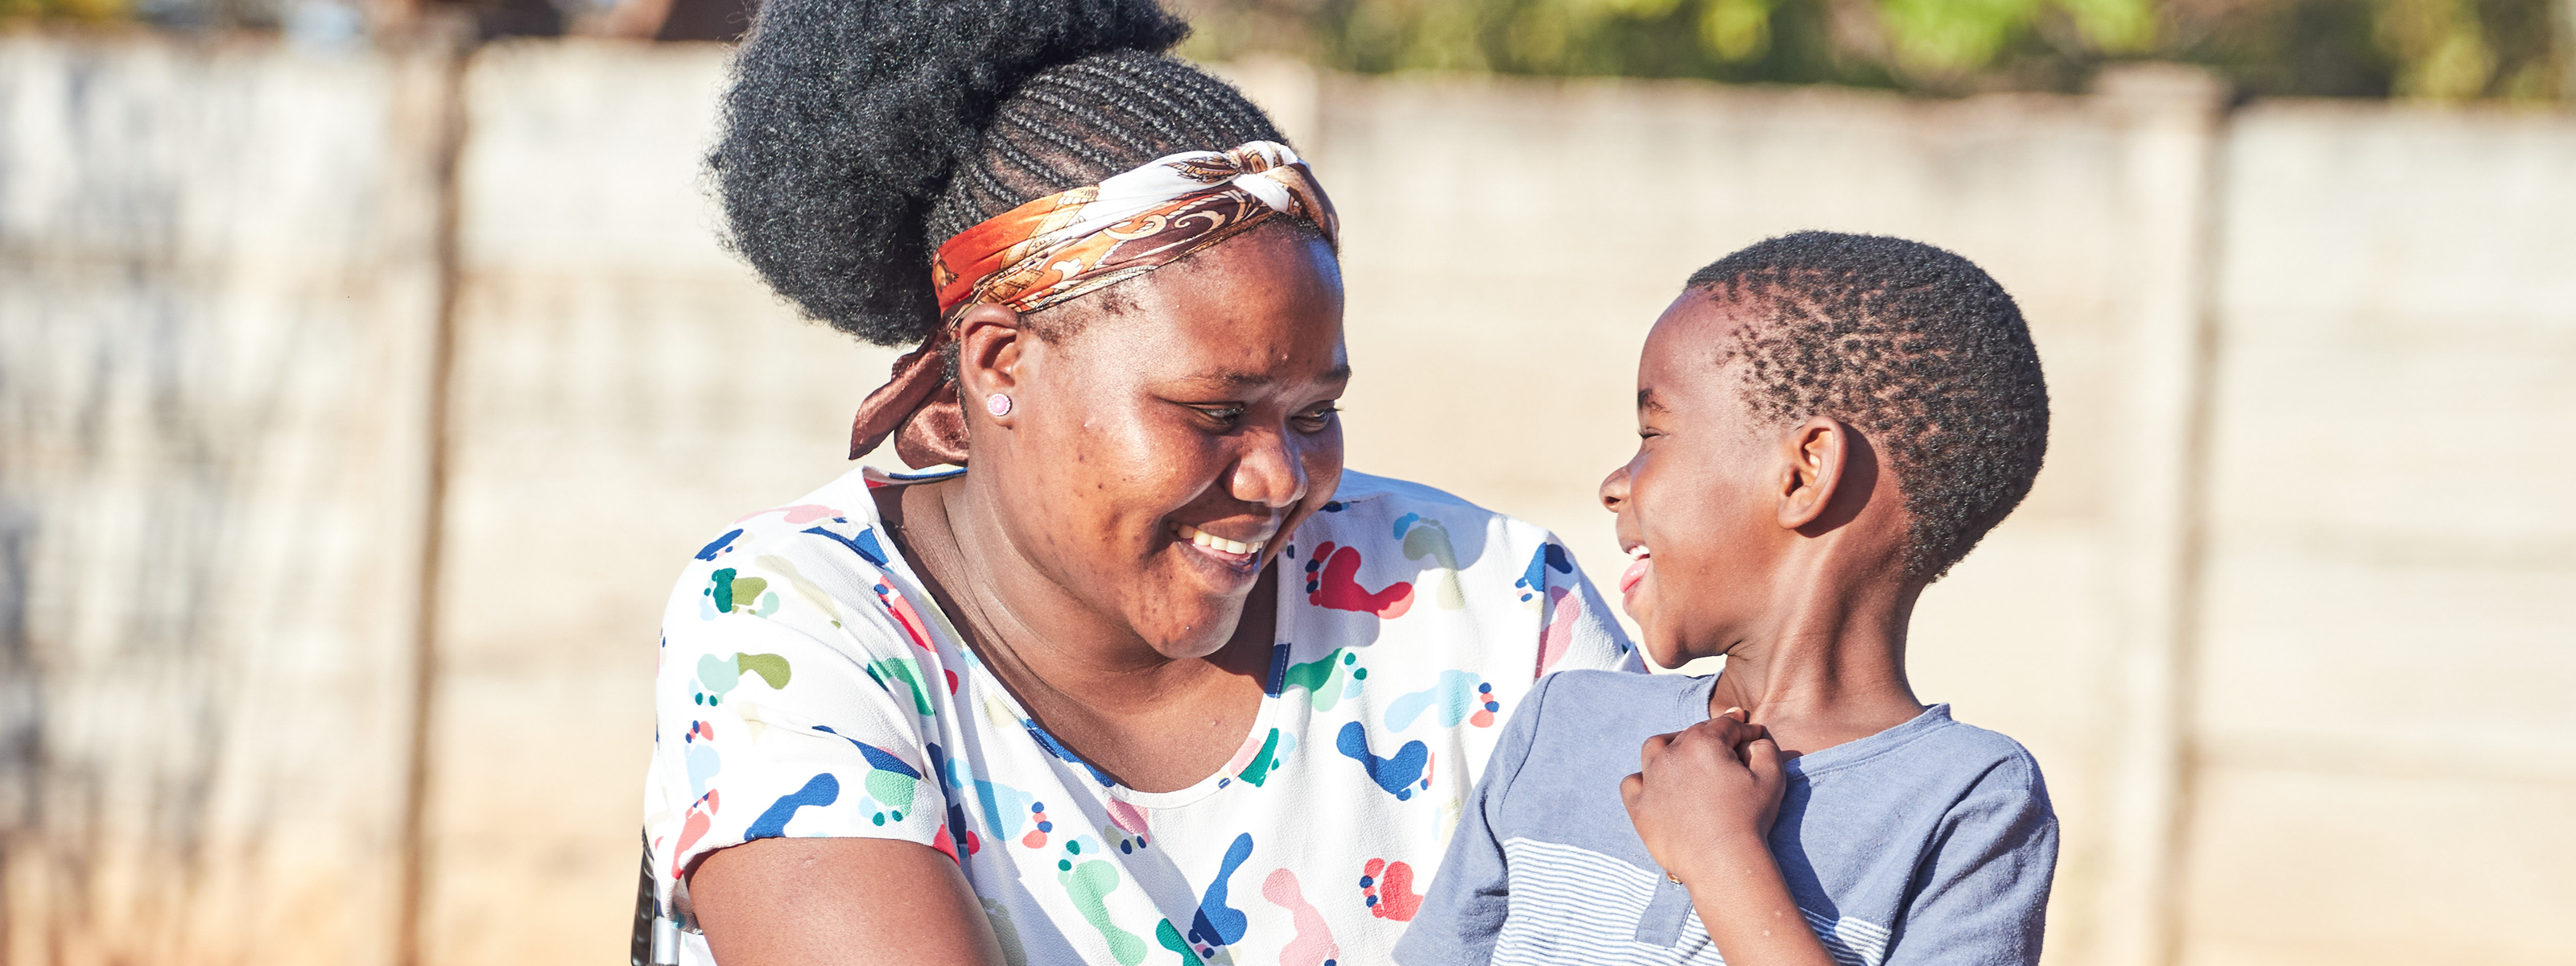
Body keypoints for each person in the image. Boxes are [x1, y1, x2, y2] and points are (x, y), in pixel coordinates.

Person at [638, 2, 1644, 964]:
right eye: (1214, 413)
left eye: (1312, 413)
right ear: (998, 365)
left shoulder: (1488, 602)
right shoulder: (800, 620)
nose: (1277, 477)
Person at [1395, 232, 2060, 966]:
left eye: (1653, 433)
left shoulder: (1969, 802)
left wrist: (1721, 857)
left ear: (1805, 474)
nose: (1616, 482)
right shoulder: (1562, 727)